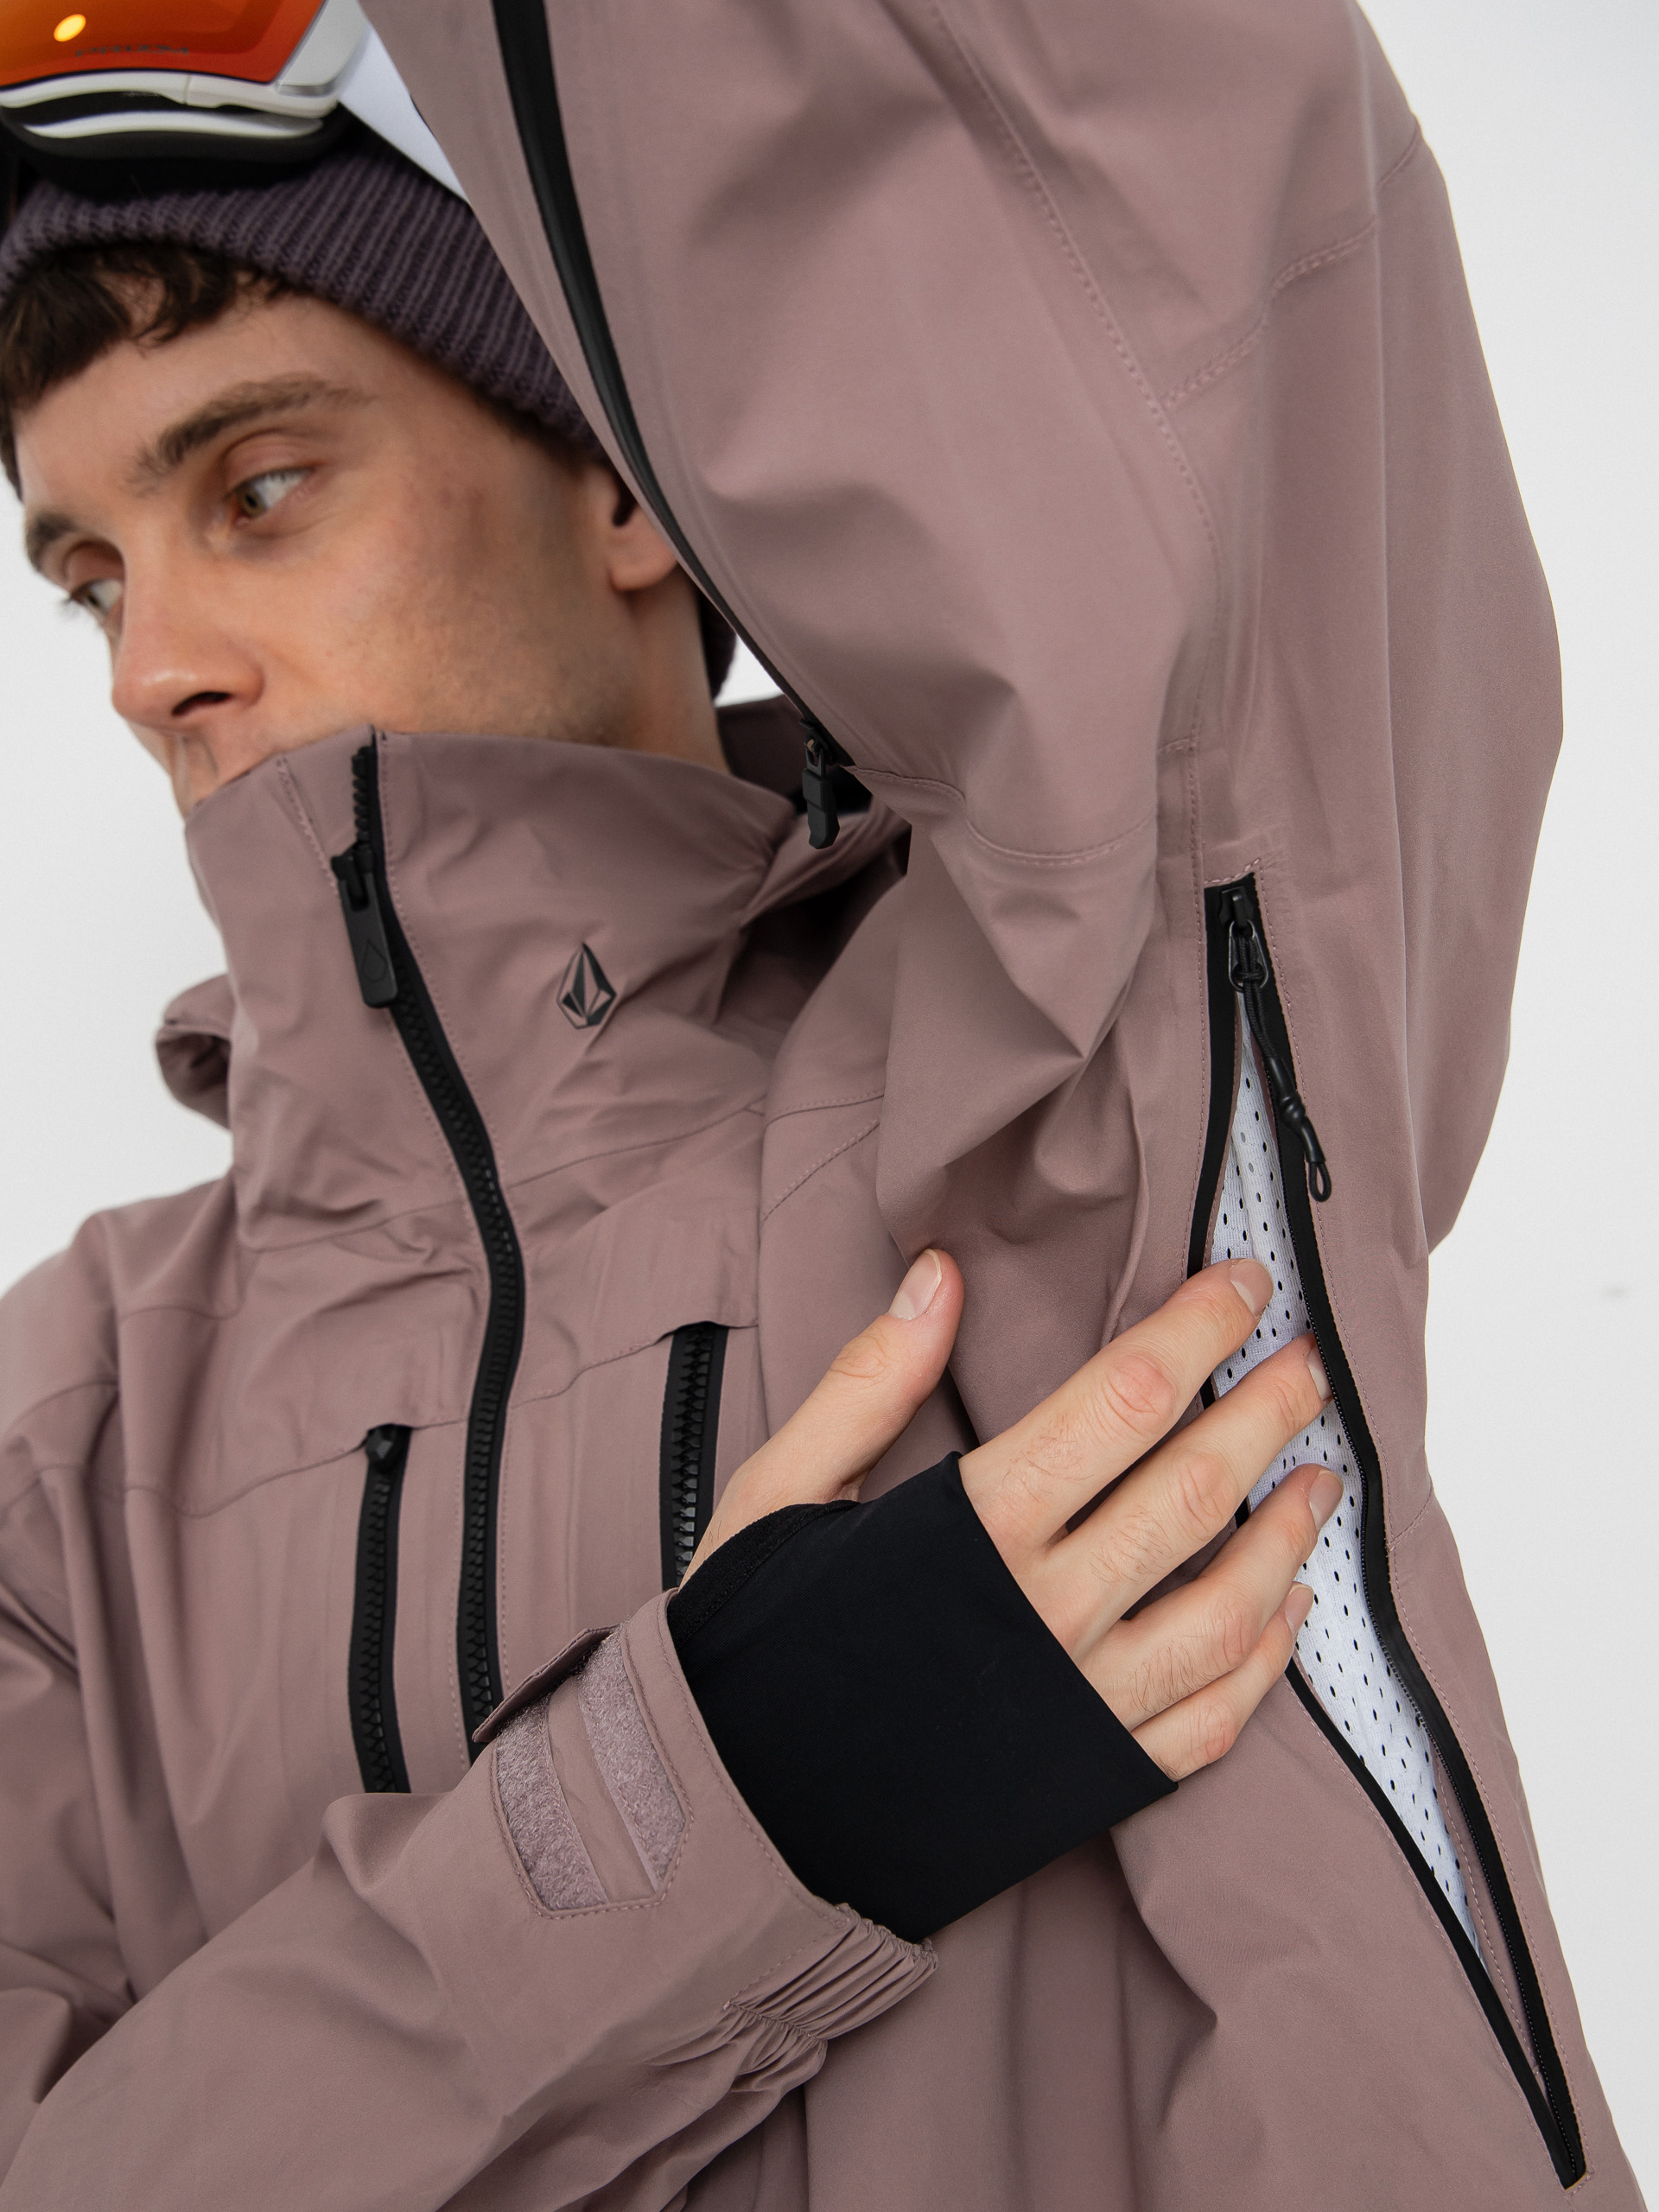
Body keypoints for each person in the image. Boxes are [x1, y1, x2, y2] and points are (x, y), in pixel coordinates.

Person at [0, 8, 1639, 2209]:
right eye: (92, 575)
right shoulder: (63, 1441)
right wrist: (728, 1794)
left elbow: (1164, 270)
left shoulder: (1078, 1047)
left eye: (258, 490)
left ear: (624, 483)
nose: (149, 666)